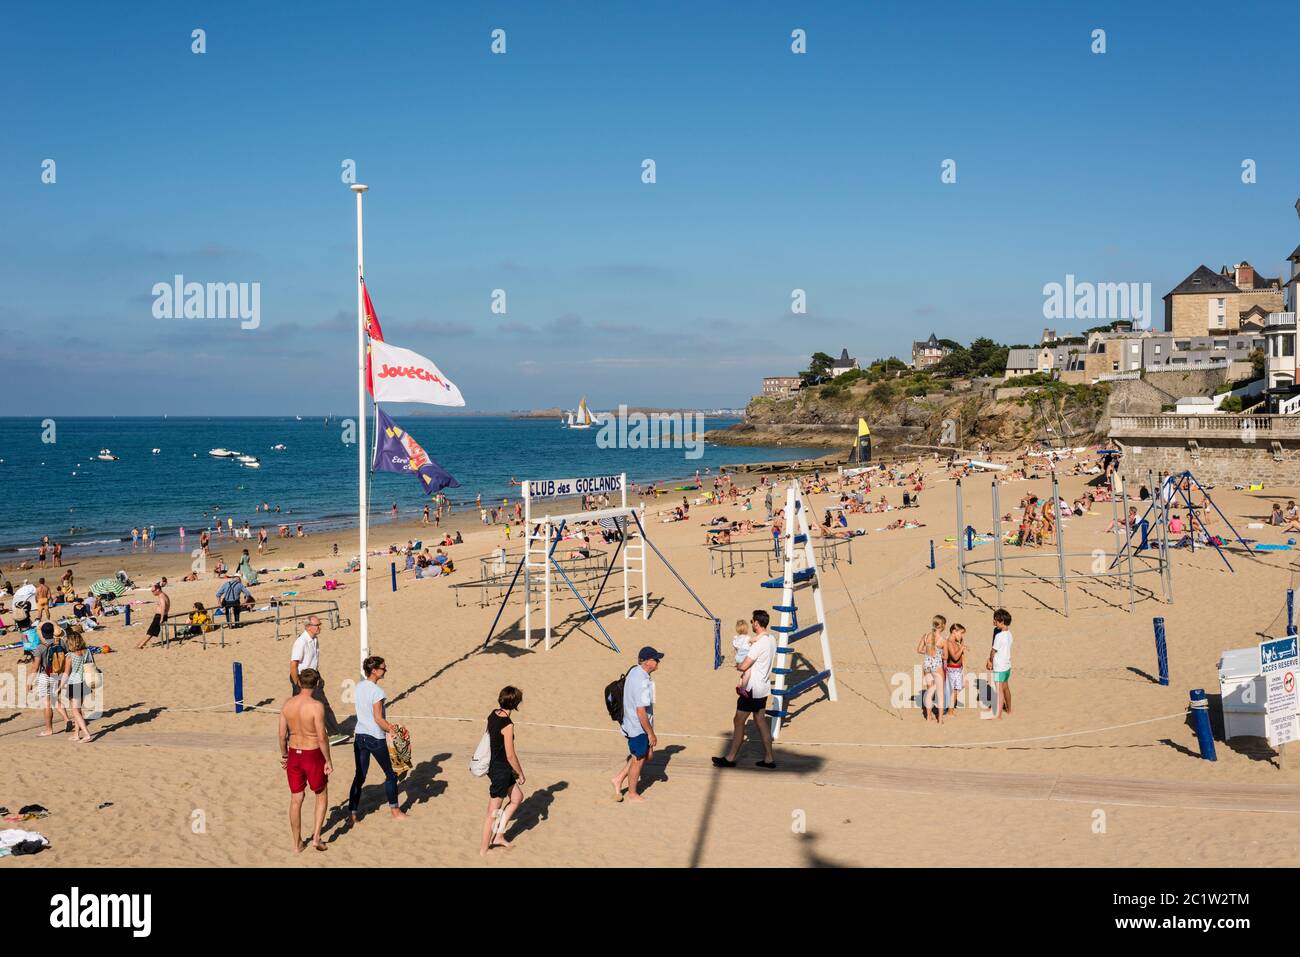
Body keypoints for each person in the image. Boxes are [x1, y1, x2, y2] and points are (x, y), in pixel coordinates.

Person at [712, 610, 777, 768]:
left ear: (756, 623)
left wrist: (739, 666)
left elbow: (745, 666)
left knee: (738, 720)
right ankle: (769, 758)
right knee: (760, 720)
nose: (752, 624)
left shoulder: (758, 645)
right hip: (763, 687)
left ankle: (730, 758)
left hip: (752, 689)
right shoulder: (771, 639)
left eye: (752, 621)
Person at [348, 656, 408, 823]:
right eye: (383, 668)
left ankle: (352, 813)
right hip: (375, 736)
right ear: (374, 670)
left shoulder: (359, 686)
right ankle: (395, 811)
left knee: (359, 775)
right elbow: (378, 718)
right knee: (391, 774)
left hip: (360, 735)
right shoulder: (378, 692)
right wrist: (392, 730)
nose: (385, 670)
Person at [279, 668, 333, 853]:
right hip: (312, 753)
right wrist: (328, 760)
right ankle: (316, 838)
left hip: (294, 752)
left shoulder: (287, 704)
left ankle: (297, 844)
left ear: (299, 683)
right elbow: (321, 737)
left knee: (296, 798)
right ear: (317, 684)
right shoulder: (316, 706)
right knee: (321, 793)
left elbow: (281, 736)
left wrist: (284, 755)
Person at [611, 647, 663, 803]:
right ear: (647, 662)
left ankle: (618, 778)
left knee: (647, 755)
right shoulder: (642, 681)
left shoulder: (635, 671)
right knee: (639, 759)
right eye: (656, 659)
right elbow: (641, 712)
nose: (658, 661)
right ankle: (632, 793)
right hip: (637, 726)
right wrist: (650, 733)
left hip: (631, 722)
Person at [480, 685, 526, 856]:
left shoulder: (493, 714)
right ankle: (483, 850)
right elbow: (510, 755)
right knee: (492, 813)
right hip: (500, 770)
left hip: (496, 767)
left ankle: (498, 835)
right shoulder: (508, 724)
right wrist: (520, 773)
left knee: (517, 797)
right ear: (515, 704)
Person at [289, 616, 347, 745]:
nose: (320, 627)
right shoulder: (301, 642)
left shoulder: (314, 639)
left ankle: (332, 733)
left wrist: (318, 676)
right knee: (300, 707)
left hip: (313, 675)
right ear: (309, 627)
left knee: (321, 704)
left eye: (320, 624)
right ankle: (332, 733)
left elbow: (313, 660)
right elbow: (293, 665)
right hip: (302, 678)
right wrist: (296, 683)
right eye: (317, 625)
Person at [28, 623, 70, 736]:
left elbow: (35, 667)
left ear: (42, 633)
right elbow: (67, 657)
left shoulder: (40, 647)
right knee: (55, 698)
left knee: (46, 703)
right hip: (57, 674)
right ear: (53, 631)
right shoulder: (61, 642)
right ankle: (66, 719)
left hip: (45, 676)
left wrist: (30, 681)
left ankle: (49, 729)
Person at [61, 631, 94, 743]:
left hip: (74, 683)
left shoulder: (69, 656)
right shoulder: (87, 651)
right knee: (78, 709)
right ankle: (76, 734)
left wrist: (60, 686)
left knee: (75, 710)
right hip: (85, 682)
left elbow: (66, 673)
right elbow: (92, 665)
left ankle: (87, 734)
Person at [916, 614, 946, 723]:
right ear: (942, 626)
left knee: (929, 691)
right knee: (940, 693)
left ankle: (928, 716)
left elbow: (919, 650)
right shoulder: (943, 640)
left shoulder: (926, 636)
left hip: (927, 664)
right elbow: (946, 656)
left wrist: (929, 652)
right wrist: (938, 654)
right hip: (936, 665)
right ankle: (940, 719)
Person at [986, 608, 1013, 719]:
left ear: (1002, 622)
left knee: (999, 690)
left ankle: (999, 714)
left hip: (999, 666)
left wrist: (990, 661)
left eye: (996, 620)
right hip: (1007, 665)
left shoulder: (999, 636)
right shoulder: (1009, 634)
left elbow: (993, 651)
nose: (994, 622)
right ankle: (1009, 709)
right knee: (1005, 687)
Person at [138, 583, 170, 649]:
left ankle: (141, 645)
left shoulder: (161, 596)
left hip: (160, 616)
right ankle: (142, 643)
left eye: (153, 591)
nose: (152, 592)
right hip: (162, 615)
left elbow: (163, 607)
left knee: (151, 631)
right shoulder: (164, 595)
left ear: (158, 589)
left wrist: (161, 618)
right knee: (151, 630)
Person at [944, 623, 966, 717]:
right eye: (960, 633)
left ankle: (950, 709)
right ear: (954, 631)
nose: (961, 636)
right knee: (954, 690)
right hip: (953, 669)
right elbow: (955, 657)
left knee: (955, 690)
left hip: (957, 669)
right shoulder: (949, 642)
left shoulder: (955, 642)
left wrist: (961, 643)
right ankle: (950, 711)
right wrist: (961, 648)